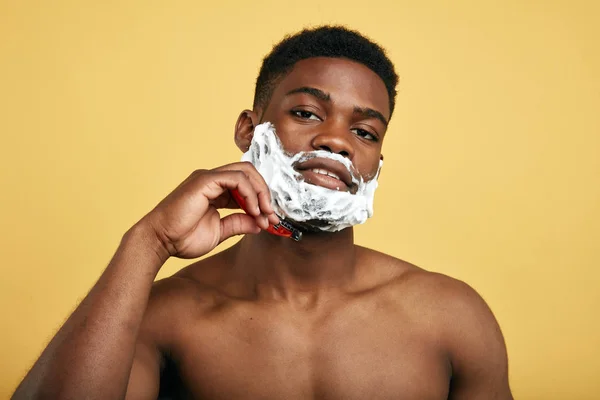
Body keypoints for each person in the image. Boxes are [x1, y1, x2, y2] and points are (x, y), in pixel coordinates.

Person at [13, 26, 513, 400]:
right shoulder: (165, 320)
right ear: (248, 131)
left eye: (365, 132)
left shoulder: (452, 317)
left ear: (377, 165)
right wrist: (148, 242)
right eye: (306, 113)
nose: (336, 140)